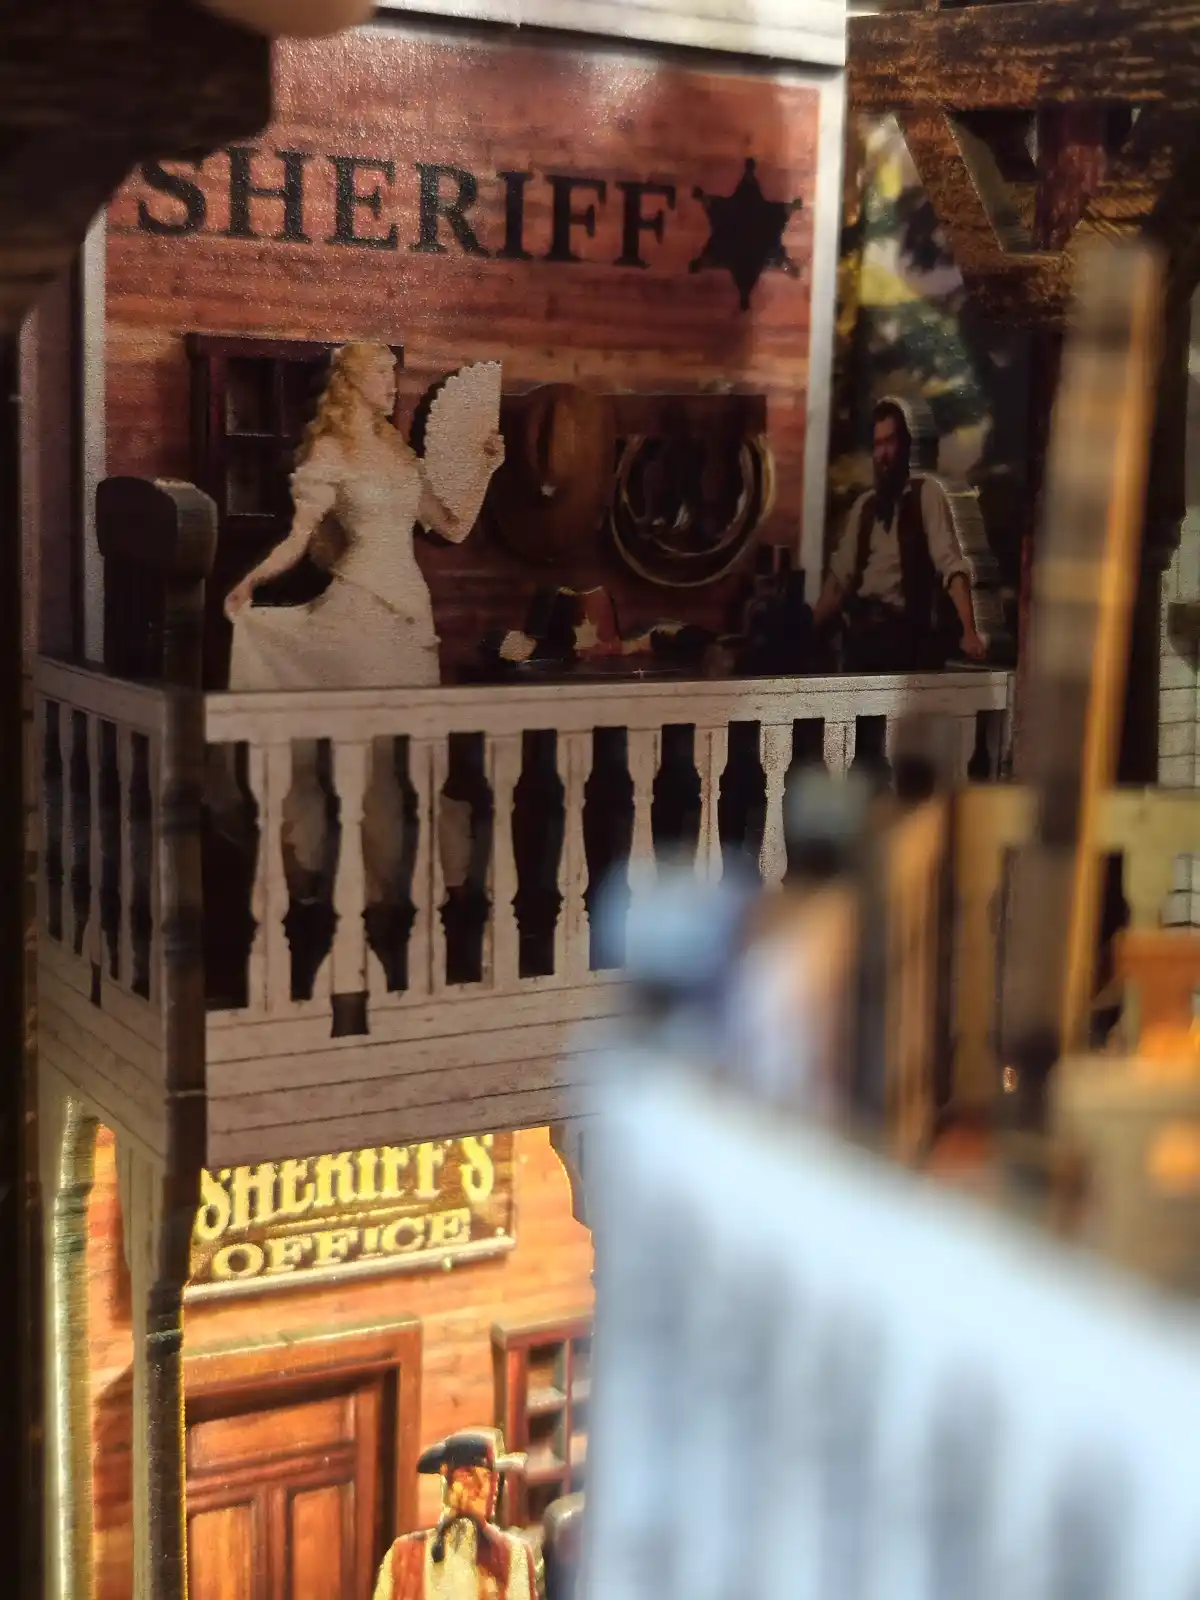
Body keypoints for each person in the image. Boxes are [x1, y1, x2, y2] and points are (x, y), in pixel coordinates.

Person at [213, 341, 503, 908]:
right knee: (367, 750)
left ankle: (408, 885)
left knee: (413, 750)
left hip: (411, 616)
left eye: (393, 374)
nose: (391, 384)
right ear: (351, 382)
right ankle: (363, 890)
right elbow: (299, 539)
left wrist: (486, 467)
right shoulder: (331, 450)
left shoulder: (398, 454)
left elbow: (453, 525)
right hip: (361, 606)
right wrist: (251, 582)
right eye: (380, 373)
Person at [813, 399, 987, 672]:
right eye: (878, 444)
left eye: (889, 442)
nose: (882, 454)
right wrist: (810, 629)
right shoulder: (865, 507)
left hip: (902, 637)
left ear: (904, 447)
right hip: (860, 636)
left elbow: (951, 566)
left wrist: (969, 631)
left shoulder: (926, 495)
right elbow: (839, 579)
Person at [372, 1429, 537, 1600]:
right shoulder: (403, 1557)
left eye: (491, 1477)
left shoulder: (513, 1557)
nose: (488, 1489)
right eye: (469, 1477)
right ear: (448, 1484)